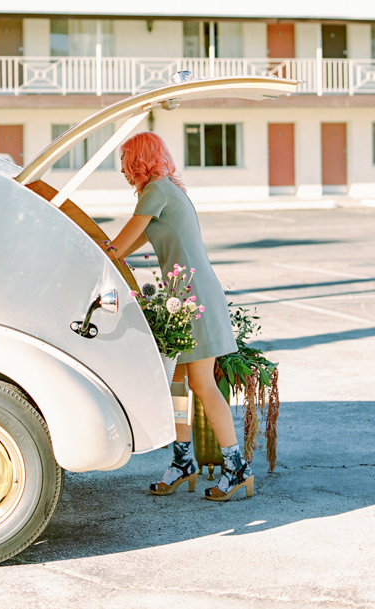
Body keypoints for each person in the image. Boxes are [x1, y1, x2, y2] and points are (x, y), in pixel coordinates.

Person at [106, 131, 253, 501]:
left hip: (195, 298)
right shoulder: (162, 191)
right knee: (177, 386)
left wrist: (95, 250)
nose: (123, 169)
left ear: (140, 159)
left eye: (125, 160)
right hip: (184, 298)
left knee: (201, 385)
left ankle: (237, 468)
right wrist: (111, 251)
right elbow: (129, 245)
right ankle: (183, 462)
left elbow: (119, 246)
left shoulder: (157, 190)